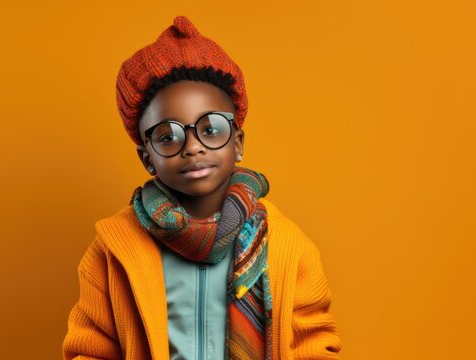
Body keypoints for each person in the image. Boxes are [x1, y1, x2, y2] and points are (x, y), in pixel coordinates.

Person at [62, 15, 342, 360]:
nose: (193, 146)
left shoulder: (286, 244)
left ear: (237, 142)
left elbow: (314, 345)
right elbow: (92, 349)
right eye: (169, 136)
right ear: (147, 158)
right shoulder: (113, 250)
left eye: (211, 129)